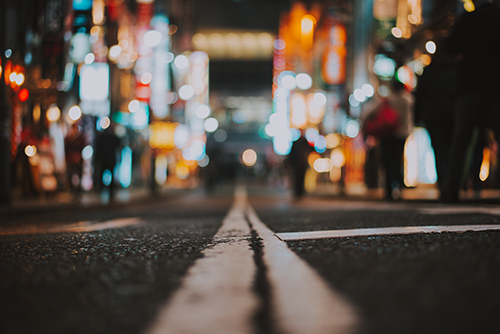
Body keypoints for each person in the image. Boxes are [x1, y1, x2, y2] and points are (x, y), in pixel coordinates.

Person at [442, 0, 500, 202]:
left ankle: (451, 189)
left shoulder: (469, 18)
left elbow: (449, 47)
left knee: (461, 139)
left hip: (470, 85)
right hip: (496, 86)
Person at [413, 37, 458, 196]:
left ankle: (444, 184)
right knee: (453, 149)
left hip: (433, 115)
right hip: (453, 113)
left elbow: (420, 94)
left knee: (439, 150)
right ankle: (453, 184)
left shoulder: (430, 69)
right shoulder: (457, 69)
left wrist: (417, 116)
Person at [94, 123, 121, 202]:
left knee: (102, 174)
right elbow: (118, 147)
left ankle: (101, 190)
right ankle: (110, 192)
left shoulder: (102, 137)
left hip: (104, 159)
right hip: (110, 159)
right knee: (111, 175)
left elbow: (98, 148)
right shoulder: (113, 137)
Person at [286, 133, 313, 199]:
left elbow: (311, 149)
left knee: (300, 178)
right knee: (298, 178)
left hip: (301, 164)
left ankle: (300, 192)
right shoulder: (297, 143)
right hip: (298, 164)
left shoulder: (303, 143)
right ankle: (298, 192)